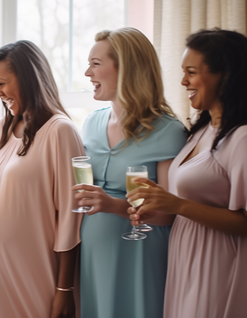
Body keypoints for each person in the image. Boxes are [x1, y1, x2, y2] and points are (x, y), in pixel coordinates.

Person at [127, 28, 247, 318]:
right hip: (186, 260)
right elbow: (192, 200)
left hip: (220, 268)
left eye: (192, 72)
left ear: (225, 75)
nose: (183, 81)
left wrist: (178, 205)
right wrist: (158, 204)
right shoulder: (204, 130)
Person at [72, 28, 187, 318]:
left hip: (141, 257)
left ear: (126, 68)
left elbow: (169, 214)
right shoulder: (91, 124)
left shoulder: (169, 131)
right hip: (94, 255)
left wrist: (113, 205)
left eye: (96, 64)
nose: (88, 72)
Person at [0, 40, 84, 318]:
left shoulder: (59, 131)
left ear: (28, 78)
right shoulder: (1, 128)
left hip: (35, 267)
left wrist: (64, 289)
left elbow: (71, 216)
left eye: (2, 83)